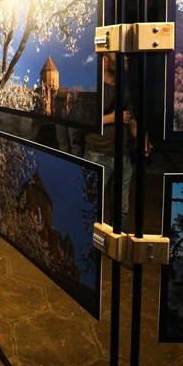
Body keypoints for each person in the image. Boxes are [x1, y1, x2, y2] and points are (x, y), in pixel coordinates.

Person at [83, 52, 136, 233]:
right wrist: (113, 118)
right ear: (105, 59)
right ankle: (88, 245)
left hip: (123, 157)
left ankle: (117, 244)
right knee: (90, 205)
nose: (126, 57)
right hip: (97, 155)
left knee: (121, 209)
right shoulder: (92, 85)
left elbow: (130, 117)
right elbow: (84, 120)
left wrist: (139, 135)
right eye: (119, 53)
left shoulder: (123, 85)